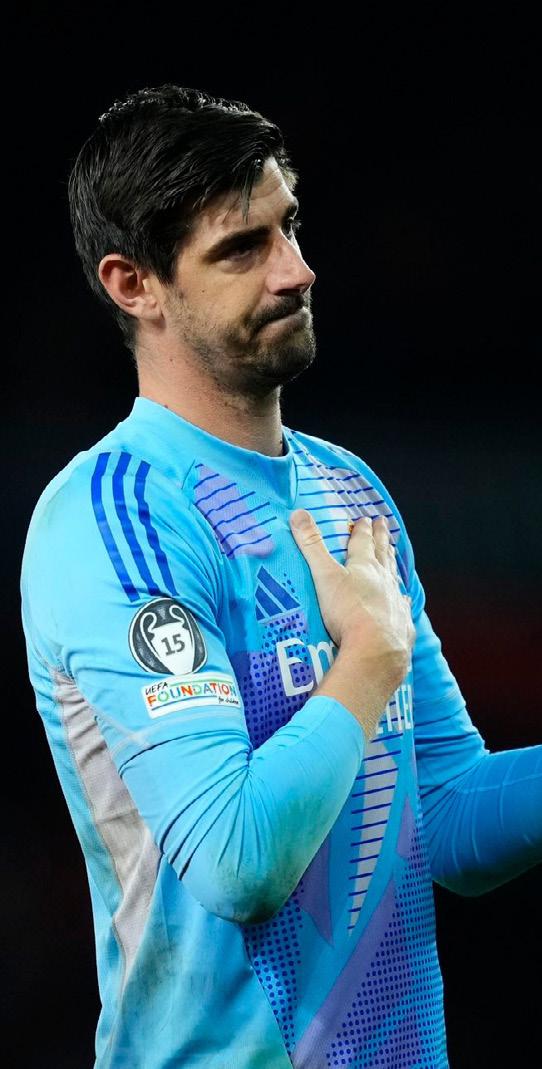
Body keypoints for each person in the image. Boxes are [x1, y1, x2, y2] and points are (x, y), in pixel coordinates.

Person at [20, 84, 540, 1069]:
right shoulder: (113, 517)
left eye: (288, 226)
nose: (296, 270)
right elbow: (237, 861)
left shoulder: (349, 491)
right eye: (241, 248)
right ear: (134, 284)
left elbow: (442, 810)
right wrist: (367, 658)